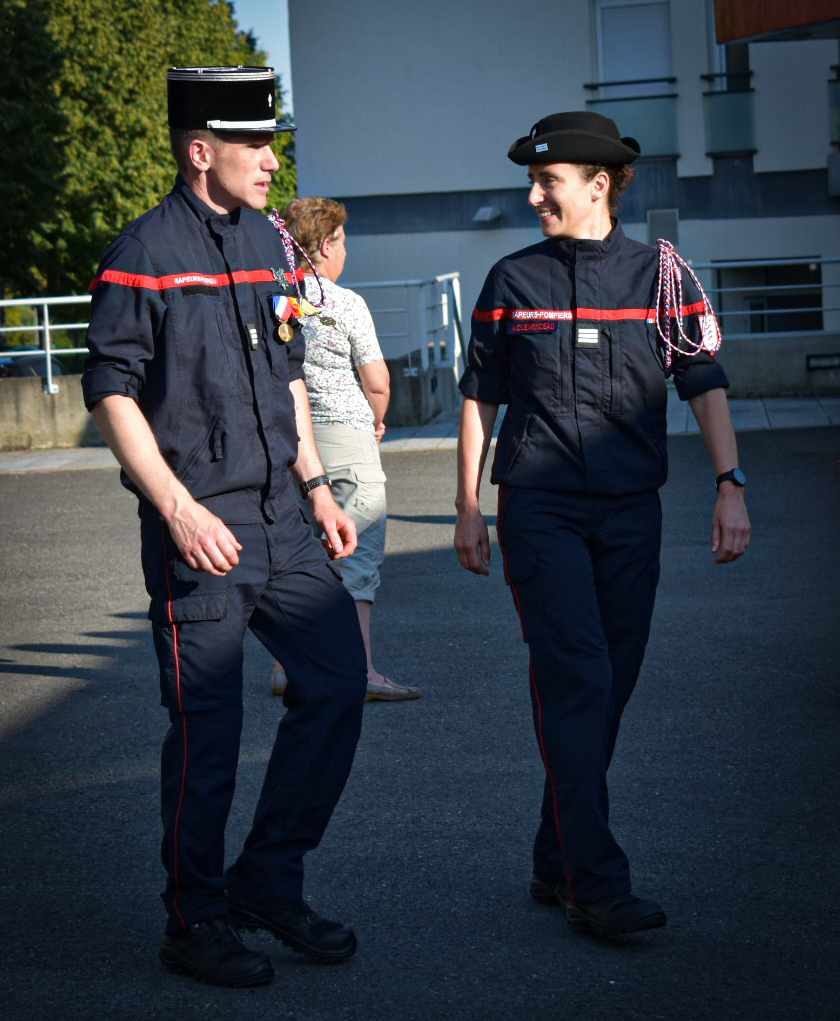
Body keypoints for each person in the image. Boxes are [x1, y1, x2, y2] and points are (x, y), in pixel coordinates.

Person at [82, 66, 368, 987]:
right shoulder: (143, 253)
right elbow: (111, 395)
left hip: (284, 518)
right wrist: (175, 506)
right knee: (208, 731)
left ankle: (267, 882)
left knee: (335, 684)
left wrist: (317, 486)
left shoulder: (268, 244)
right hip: (199, 532)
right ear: (202, 151)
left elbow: (287, 372)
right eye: (256, 146)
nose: (272, 160)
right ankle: (194, 917)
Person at [454, 111, 751, 937]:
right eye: (533, 180)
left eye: (547, 182)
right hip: (540, 511)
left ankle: (556, 854)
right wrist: (468, 505)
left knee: (609, 687)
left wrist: (730, 484)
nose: (533, 194)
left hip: (630, 513)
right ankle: (596, 878)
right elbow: (481, 398)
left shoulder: (661, 274)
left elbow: (704, 378)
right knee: (578, 678)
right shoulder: (512, 280)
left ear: (598, 184)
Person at [268, 196, 420, 702]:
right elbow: (376, 379)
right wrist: (378, 420)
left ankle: (288, 666)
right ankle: (364, 672)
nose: (345, 251)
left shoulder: (275, 297)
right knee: (356, 556)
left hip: (286, 442)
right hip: (344, 437)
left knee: (297, 556)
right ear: (327, 244)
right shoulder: (344, 302)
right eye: (343, 242)